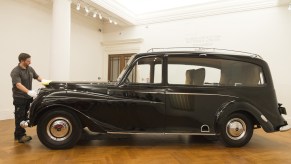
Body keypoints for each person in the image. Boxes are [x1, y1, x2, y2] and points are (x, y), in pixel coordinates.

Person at [10, 53, 50, 143]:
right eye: (28, 61)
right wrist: (28, 91)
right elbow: (18, 85)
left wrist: (46, 82)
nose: (30, 62)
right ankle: (20, 136)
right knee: (20, 116)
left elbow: (37, 77)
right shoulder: (15, 71)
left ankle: (22, 134)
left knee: (25, 116)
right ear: (22, 61)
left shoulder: (30, 69)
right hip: (19, 98)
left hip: (28, 97)